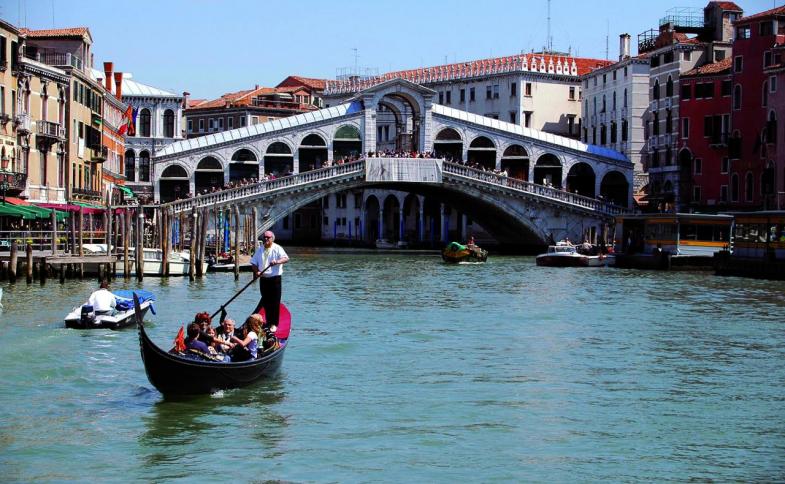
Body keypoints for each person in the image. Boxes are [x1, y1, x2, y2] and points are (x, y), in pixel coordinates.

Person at [250, 230, 289, 326]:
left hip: (275, 279)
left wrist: (277, 261)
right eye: (265, 237)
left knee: (275, 303)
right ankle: (268, 323)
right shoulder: (260, 249)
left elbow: (286, 258)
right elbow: (253, 263)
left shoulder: (277, 248)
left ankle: (274, 325)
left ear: (272, 238)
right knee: (266, 302)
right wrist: (257, 272)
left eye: (268, 237)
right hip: (264, 279)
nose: (266, 239)